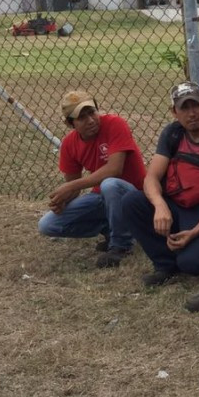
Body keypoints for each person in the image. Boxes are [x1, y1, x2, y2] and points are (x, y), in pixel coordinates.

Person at [120, 82, 199, 297]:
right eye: (184, 108)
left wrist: (194, 232)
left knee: (192, 263)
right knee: (131, 202)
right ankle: (165, 264)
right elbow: (151, 178)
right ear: (174, 112)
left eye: (196, 106)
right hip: (177, 202)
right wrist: (159, 205)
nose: (192, 113)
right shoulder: (173, 133)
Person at [38, 90, 146, 267]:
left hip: (134, 196)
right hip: (102, 197)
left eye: (92, 112)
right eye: (82, 117)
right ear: (70, 123)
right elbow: (74, 187)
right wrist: (64, 199)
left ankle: (121, 246)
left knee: (110, 184)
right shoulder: (69, 144)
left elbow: (114, 170)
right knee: (47, 225)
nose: (90, 120)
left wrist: (71, 186)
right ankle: (111, 230)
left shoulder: (115, 124)